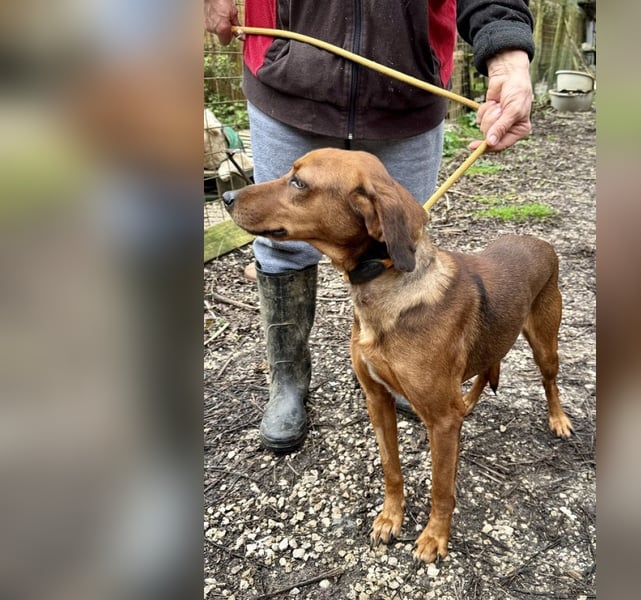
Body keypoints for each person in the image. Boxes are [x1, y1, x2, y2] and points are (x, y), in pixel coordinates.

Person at [205, 0, 535, 453]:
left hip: (407, 91)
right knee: (281, 245)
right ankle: (288, 381)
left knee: (400, 245)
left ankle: (413, 370)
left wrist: (508, 50)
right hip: (288, 80)